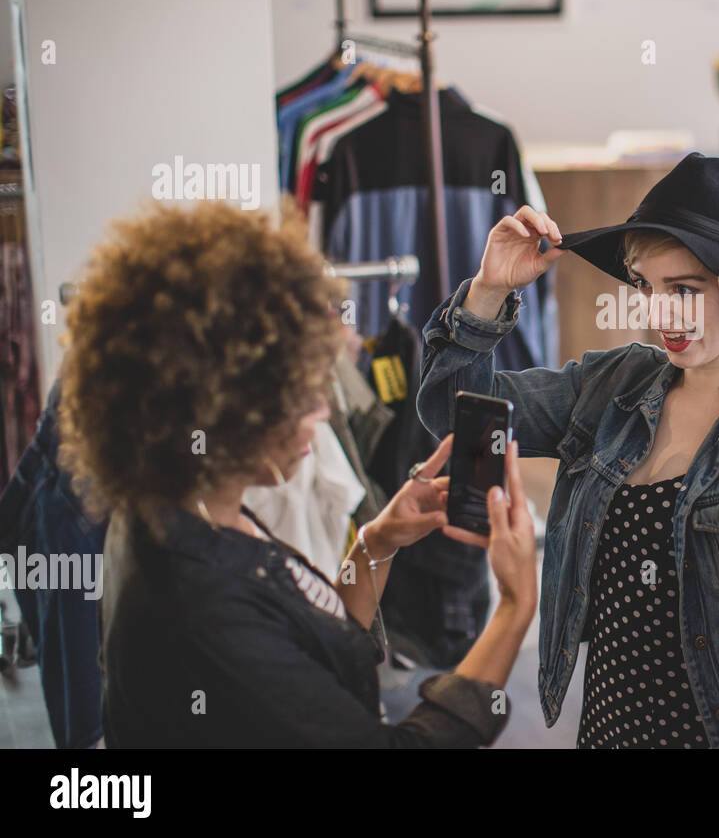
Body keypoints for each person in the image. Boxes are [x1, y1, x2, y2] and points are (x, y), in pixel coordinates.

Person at [418, 152, 719, 748]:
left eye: (683, 290)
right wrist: (486, 293)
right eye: (646, 287)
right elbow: (457, 413)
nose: (660, 313)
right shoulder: (610, 388)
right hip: (611, 731)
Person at [57, 201, 537, 747]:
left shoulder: (179, 514)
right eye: (302, 392)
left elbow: (312, 653)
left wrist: (375, 544)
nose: (322, 410)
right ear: (227, 408)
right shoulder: (203, 605)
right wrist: (516, 606)